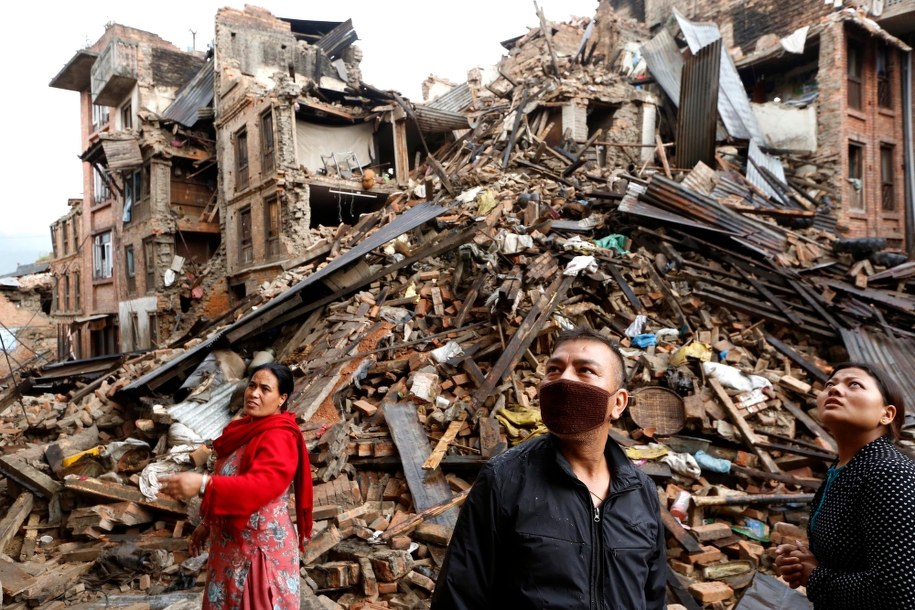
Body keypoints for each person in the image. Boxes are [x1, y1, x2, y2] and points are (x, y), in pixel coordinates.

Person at [431, 327, 667, 609]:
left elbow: (653, 598)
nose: (563, 379)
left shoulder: (641, 492)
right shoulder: (505, 479)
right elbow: (460, 596)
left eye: (585, 371)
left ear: (617, 403)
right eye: (554, 370)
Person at [160, 362, 313, 610]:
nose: (254, 393)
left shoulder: (280, 436)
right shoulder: (242, 430)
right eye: (252, 385)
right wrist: (207, 524)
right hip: (229, 549)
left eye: (265, 389)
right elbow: (230, 478)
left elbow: (259, 487)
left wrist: (202, 485)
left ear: (281, 398)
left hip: (258, 552)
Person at [775, 362, 915, 608]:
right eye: (830, 384)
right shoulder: (845, 467)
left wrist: (815, 577)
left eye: (854, 384)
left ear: (887, 414)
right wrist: (804, 562)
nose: (835, 390)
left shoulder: (891, 472)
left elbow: (899, 592)